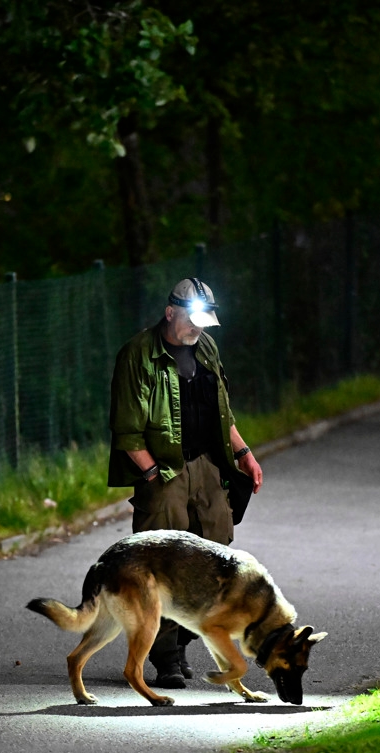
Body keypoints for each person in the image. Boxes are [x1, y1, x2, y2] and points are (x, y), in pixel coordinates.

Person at [107, 277, 264, 687]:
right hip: (164, 471)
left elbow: (223, 412)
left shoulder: (206, 347)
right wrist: (151, 475)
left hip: (207, 465)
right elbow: (126, 430)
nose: (197, 329)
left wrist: (244, 454)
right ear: (169, 312)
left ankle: (182, 643)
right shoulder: (137, 354)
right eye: (191, 320)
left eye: (204, 322)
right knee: (161, 566)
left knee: (215, 555)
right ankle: (165, 659)